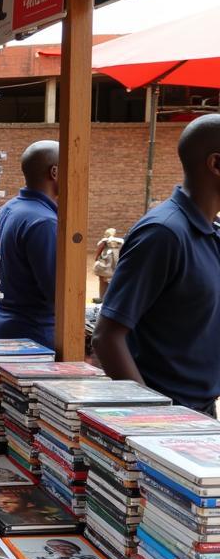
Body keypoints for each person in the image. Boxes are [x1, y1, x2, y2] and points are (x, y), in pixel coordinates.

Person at [93, 116, 220, 415]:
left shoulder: (211, 231)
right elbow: (107, 337)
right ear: (216, 164)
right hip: (168, 417)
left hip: (201, 411)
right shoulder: (163, 234)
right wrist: (154, 416)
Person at [0, 140, 59, 346]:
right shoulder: (44, 222)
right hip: (35, 337)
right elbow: (58, 294)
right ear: (54, 172)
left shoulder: (9, 209)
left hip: (5, 326)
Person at [92, 227, 124, 302]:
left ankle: (104, 297)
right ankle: (106, 297)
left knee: (104, 279)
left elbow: (100, 247)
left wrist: (96, 257)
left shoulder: (106, 241)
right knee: (107, 278)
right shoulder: (119, 241)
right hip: (112, 262)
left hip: (108, 262)